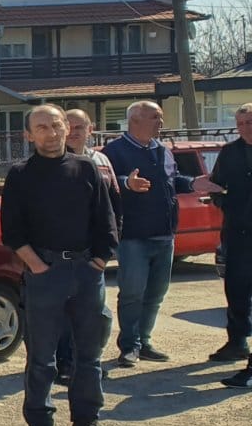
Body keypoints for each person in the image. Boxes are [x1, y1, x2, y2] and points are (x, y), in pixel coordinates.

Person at [0, 105, 119, 426]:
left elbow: (106, 219)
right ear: (28, 135)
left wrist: (99, 260)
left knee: (89, 354)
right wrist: (36, 265)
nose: (50, 133)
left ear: (67, 127)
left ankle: (86, 420)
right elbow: (12, 231)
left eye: (55, 125)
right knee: (41, 356)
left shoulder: (86, 168)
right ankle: (40, 424)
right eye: (41, 127)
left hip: (86, 271)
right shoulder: (20, 174)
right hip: (44, 273)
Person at [100, 101, 223, 367]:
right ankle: (129, 346)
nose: (161, 122)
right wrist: (127, 183)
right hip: (133, 236)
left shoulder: (162, 150)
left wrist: (193, 183)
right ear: (135, 120)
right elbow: (105, 184)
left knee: (156, 293)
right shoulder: (114, 151)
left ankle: (144, 342)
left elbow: (172, 180)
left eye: (161, 117)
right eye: (155, 117)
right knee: (132, 293)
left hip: (165, 235)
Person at [54, 109, 122, 384]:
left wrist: (106, 251)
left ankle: (88, 364)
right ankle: (66, 365)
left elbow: (114, 206)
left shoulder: (102, 161)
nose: (74, 132)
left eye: (80, 126)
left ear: (90, 129)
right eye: (69, 126)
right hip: (63, 255)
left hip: (94, 255)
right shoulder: (54, 162)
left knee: (95, 315)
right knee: (65, 316)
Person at [212, 104, 252, 379]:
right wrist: (225, 203)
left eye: (249, 122)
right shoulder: (229, 152)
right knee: (236, 289)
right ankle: (237, 342)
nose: (245, 128)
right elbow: (216, 186)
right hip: (237, 233)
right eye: (240, 124)